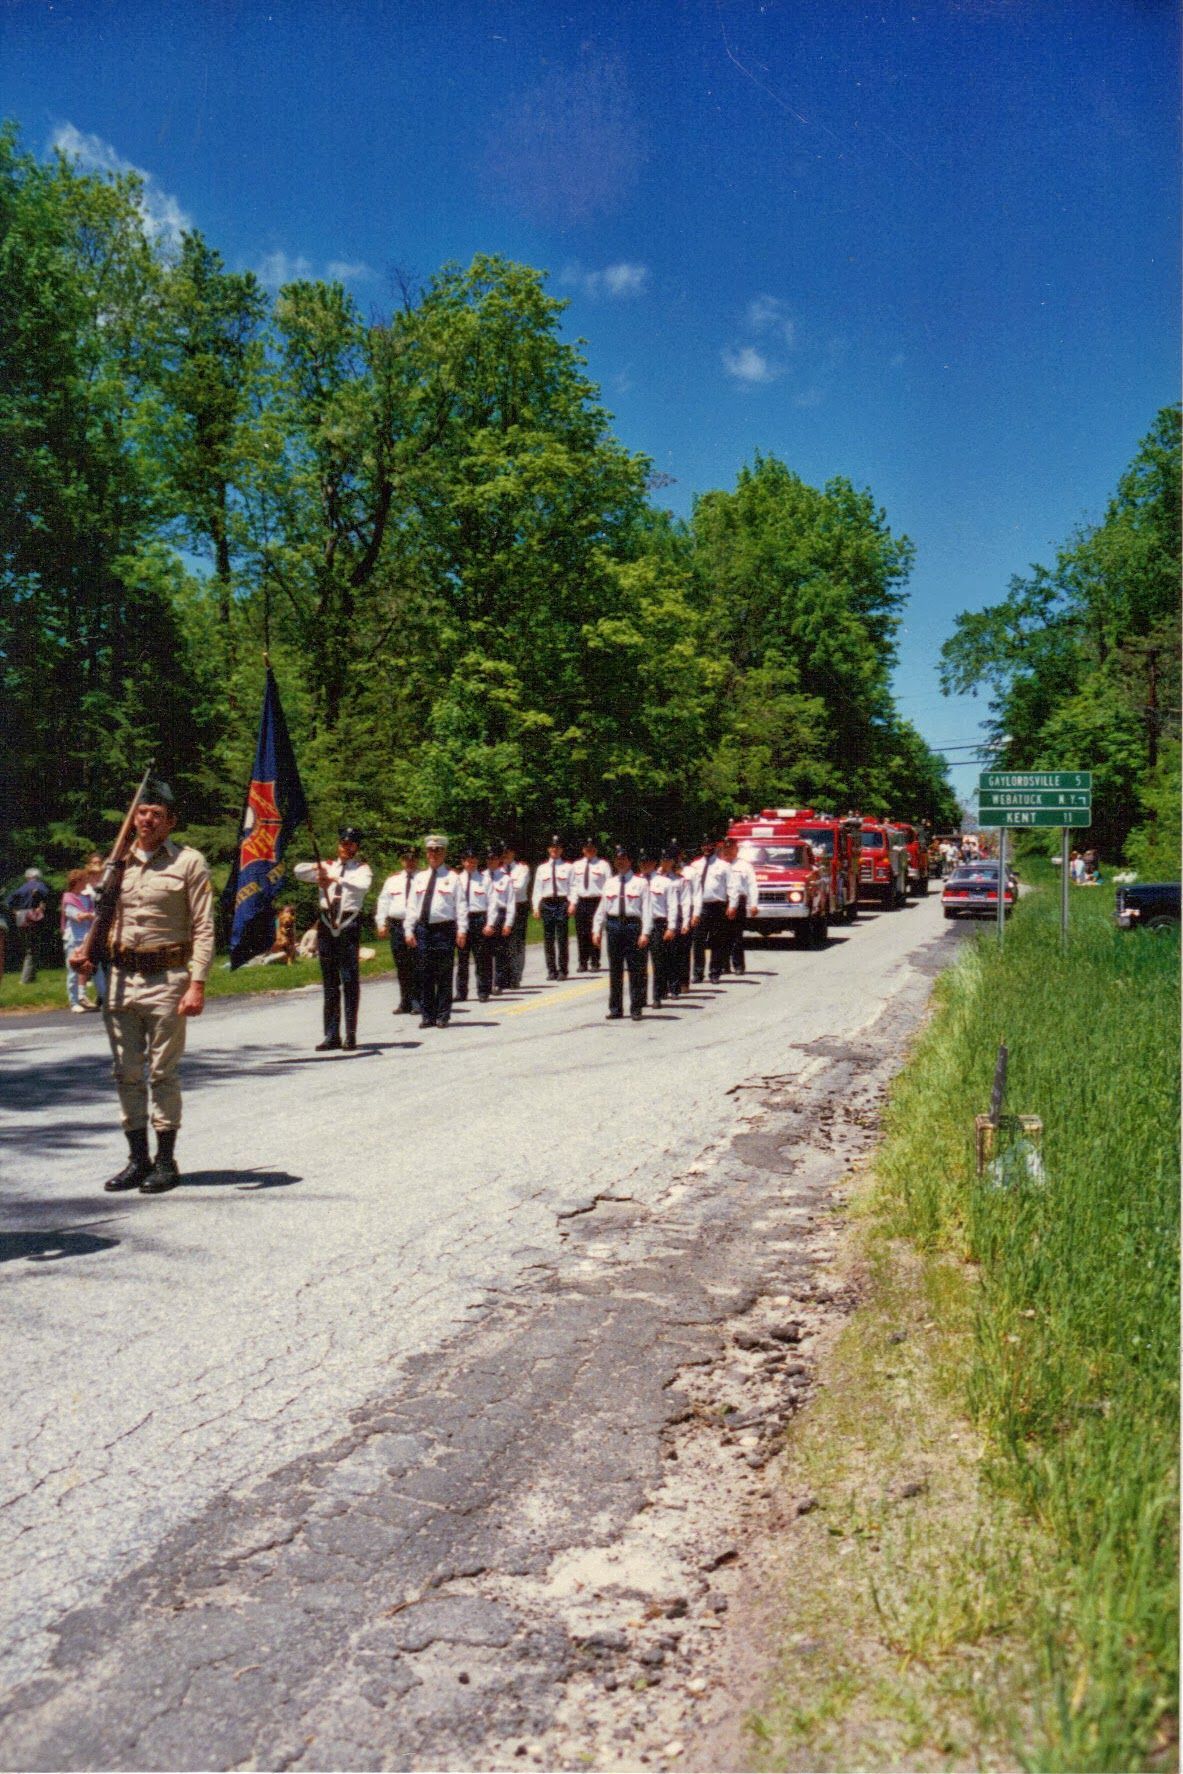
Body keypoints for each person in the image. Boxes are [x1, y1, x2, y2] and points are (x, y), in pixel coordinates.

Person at [75, 778, 214, 1196]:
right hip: (119, 979)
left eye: (156, 814)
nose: (147, 819)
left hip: (167, 979)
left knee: (161, 1072)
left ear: (170, 822)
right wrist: (85, 953)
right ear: (133, 818)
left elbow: (205, 928)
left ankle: (166, 1160)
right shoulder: (118, 865)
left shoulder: (189, 862)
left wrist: (197, 983)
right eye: (142, 812)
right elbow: (104, 921)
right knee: (126, 1073)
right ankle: (138, 1159)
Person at [294, 826, 372, 1051]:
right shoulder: (327, 864)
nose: (346, 848)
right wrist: (318, 870)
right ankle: (331, 1035)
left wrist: (335, 879)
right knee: (330, 982)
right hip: (327, 925)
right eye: (343, 844)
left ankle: (350, 1034)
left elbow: (362, 886)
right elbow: (298, 871)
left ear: (356, 847)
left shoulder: (361, 869)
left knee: (349, 980)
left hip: (348, 925)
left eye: (351, 844)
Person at [404, 834, 462, 1028]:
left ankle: (443, 1015)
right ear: (426, 853)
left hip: (444, 929)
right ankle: (427, 1015)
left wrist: (462, 930)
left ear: (444, 853)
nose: (434, 854)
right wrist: (408, 930)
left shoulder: (453, 878)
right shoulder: (419, 878)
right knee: (424, 973)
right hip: (423, 929)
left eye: (438, 851)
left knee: (444, 973)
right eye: (430, 851)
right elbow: (412, 906)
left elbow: (460, 906)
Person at [592, 844, 652, 1020]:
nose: (620, 862)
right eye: (617, 859)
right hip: (614, 925)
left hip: (633, 926)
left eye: (623, 859)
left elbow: (647, 910)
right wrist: (597, 929)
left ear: (630, 861)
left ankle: (636, 1008)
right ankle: (616, 1008)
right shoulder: (610, 883)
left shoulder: (640, 883)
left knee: (636, 969)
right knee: (615, 969)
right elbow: (603, 907)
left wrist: (645, 933)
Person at [375, 846, 420, 1014]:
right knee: (401, 965)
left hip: (416, 925)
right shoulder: (392, 880)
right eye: (406, 859)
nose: (409, 862)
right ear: (401, 860)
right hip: (396, 925)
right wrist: (381, 923)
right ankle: (405, 1001)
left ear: (417, 860)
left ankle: (417, 1001)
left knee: (416, 963)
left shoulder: (422, 879)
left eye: (412, 858)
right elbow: (383, 902)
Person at [686, 837, 729, 983]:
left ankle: (715, 973)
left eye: (710, 845)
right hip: (700, 907)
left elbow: (732, 886)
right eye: (704, 845)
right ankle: (698, 973)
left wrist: (733, 905)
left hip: (717, 906)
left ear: (715, 846)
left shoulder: (723, 866)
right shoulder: (695, 866)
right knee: (698, 940)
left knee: (717, 940)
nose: (707, 848)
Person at [454, 843, 494, 1003]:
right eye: (468, 861)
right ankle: (461, 992)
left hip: (479, 919)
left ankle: (483, 990)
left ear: (477, 862)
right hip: (462, 920)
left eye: (473, 861)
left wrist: (490, 924)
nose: (471, 864)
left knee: (481, 958)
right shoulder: (457, 880)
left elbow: (492, 904)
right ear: (463, 862)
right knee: (462, 959)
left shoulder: (485, 880)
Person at [532, 835, 573, 980]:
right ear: (548, 849)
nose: (554, 850)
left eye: (557, 847)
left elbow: (573, 887)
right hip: (547, 904)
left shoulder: (568, 867)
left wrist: (572, 903)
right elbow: (537, 889)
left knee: (562, 938)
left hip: (562, 903)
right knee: (548, 939)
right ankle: (551, 970)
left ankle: (563, 970)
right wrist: (536, 907)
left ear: (561, 850)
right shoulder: (542, 868)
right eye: (552, 847)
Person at [644, 850, 679, 1009]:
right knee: (639, 964)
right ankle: (640, 998)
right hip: (639, 925)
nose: (645, 865)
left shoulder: (665, 882)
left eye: (648, 862)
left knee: (658, 962)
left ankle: (657, 996)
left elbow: (672, 906)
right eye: (642, 863)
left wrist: (671, 927)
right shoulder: (635, 882)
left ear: (654, 864)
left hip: (658, 924)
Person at [570, 839, 610, 973]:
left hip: (597, 901)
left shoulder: (603, 865)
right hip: (582, 901)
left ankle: (595, 961)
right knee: (581, 933)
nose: (589, 851)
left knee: (595, 931)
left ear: (596, 850)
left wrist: (607, 904)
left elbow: (609, 885)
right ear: (583, 850)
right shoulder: (576, 865)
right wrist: (573, 902)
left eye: (592, 848)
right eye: (587, 849)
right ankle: (582, 962)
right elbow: (573, 885)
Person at [60, 869, 96, 1011]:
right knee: (73, 971)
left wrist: (90, 915)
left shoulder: (87, 898)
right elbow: (76, 916)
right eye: (83, 880)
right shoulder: (68, 898)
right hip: (73, 938)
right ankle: (74, 1002)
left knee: (88, 969)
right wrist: (89, 915)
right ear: (77, 882)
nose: (86, 883)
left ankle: (83, 997)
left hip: (87, 937)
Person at [6, 867, 50, 985]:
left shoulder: (21, 888)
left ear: (27, 877)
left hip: (21, 917)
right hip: (32, 917)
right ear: (37, 876)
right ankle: (25, 979)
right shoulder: (39, 885)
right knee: (32, 949)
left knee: (28, 948)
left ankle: (32, 977)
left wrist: (16, 912)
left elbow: (9, 901)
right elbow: (44, 893)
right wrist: (40, 904)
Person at [484, 841, 518, 994]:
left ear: (499, 860)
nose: (491, 861)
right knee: (484, 952)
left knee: (499, 951)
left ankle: (499, 982)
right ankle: (485, 984)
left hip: (501, 915)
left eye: (494, 858)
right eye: (488, 859)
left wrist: (508, 923)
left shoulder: (505, 879)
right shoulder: (481, 877)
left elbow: (511, 903)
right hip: (485, 916)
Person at [725, 837, 759, 975]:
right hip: (722, 902)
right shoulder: (719, 865)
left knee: (736, 935)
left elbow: (752, 885)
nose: (729, 851)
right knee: (721, 935)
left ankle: (738, 965)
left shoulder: (744, 866)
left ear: (736, 849)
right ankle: (723, 965)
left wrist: (753, 904)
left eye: (731, 848)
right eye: (726, 848)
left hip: (739, 901)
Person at [504, 843, 532, 987]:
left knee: (517, 943)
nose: (505, 855)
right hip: (501, 908)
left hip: (518, 907)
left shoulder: (522, 869)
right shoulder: (497, 870)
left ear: (513, 853)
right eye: (503, 852)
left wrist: (501, 890)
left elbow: (519, 888)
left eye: (508, 852)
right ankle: (504, 977)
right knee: (502, 944)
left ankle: (516, 977)